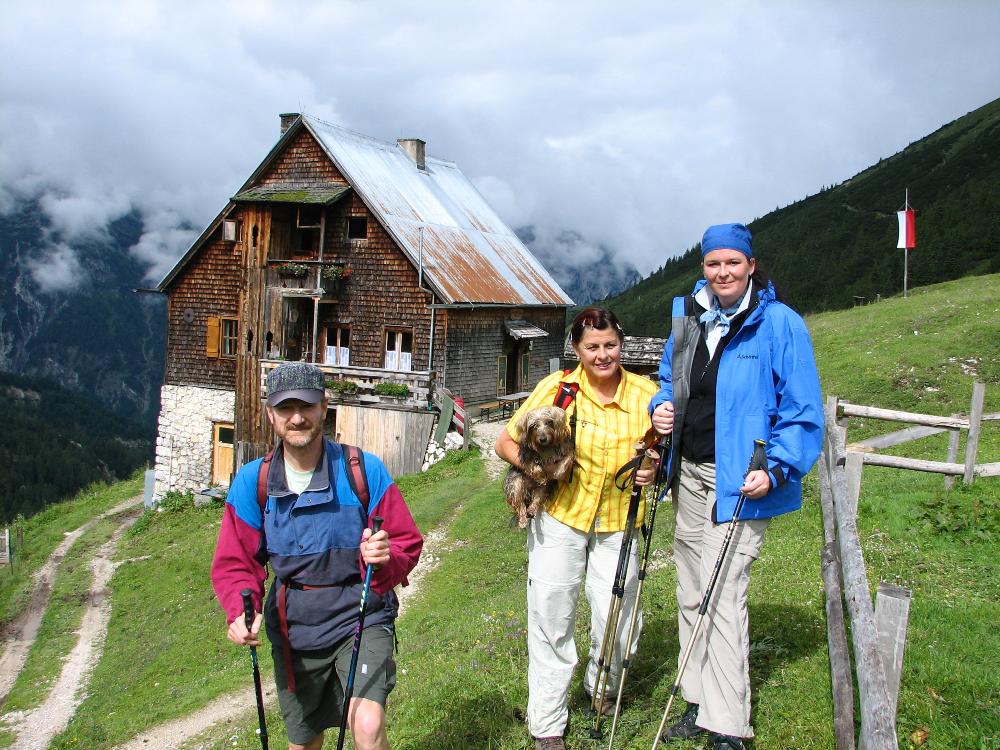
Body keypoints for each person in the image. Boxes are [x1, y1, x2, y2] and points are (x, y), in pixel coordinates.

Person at [649, 223, 823, 750]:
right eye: (712, 263)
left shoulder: (779, 325)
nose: (722, 272)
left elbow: (801, 410)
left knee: (722, 593)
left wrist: (777, 467)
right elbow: (668, 381)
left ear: (750, 265)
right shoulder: (690, 319)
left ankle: (729, 725)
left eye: (732, 263)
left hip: (742, 483)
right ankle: (699, 699)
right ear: (702, 267)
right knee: (689, 589)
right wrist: (661, 409)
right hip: (690, 475)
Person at [211, 362, 423, 750]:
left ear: (323, 408)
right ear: (271, 414)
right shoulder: (253, 483)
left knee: (368, 722)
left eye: (306, 406)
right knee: (305, 742)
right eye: (286, 408)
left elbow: (406, 542)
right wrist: (242, 610)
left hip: (361, 613)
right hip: (296, 628)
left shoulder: (362, 470)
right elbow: (237, 561)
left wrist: (384, 556)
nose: (297, 418)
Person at [495, 307, 659, 750]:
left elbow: (662, 453)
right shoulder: (558, 389)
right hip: (561, 519)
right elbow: (505, 441)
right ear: (577, 349)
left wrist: (653, 468)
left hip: (619, 520)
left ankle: (601, 689)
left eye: (610, 345)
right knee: (551, 616)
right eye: (592, 347)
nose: (602, 355)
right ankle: (548, 725)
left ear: (620, 345)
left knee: (620, 616)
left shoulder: (648, 394)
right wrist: (538, 473)